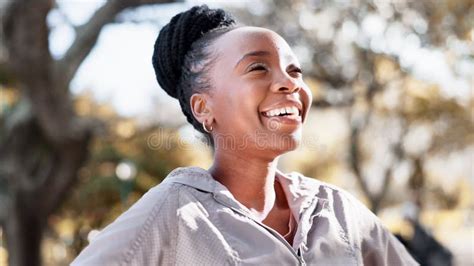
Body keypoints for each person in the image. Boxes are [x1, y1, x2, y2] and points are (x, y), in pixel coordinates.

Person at [72, 5, 418, 266]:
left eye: (295, 70)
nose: (290, 82)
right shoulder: (171, 216)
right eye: (257, 67)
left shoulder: (338, 210)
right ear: (203, 108)